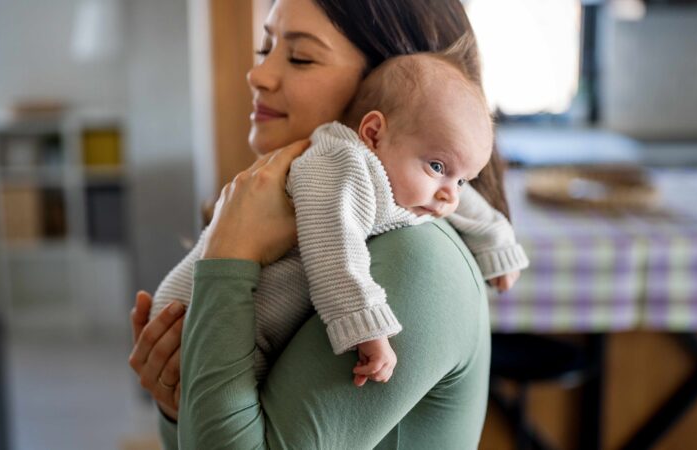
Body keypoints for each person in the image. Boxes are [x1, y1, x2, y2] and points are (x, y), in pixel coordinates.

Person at [129, 0, 521, 447]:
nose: (257, 75)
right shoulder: (327, 209)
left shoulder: (416, 259)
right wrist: (176, 400)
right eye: (265, 48)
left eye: (300, 57)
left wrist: (230, 255)